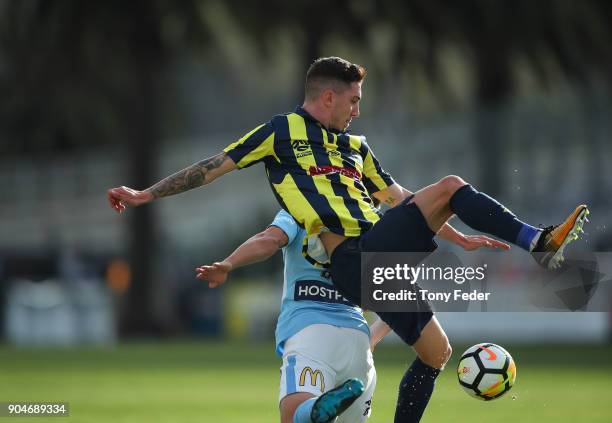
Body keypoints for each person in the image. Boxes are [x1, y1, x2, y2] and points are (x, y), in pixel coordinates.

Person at [108, 56, 588, 422]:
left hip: (375, 261)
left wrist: (457, 239)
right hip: (352, 260)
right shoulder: (282, 131)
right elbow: (213, 166)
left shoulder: (356, 149)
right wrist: (146, 195)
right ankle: (538, 242)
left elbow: (402, 198)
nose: (358, 110)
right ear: (329, 97)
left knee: (436, 353)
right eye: (354, 100)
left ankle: (538, 243)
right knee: (450, 186)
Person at [195, 209, 390, 423]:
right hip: (358, 343)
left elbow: (269, 240)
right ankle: (320, 409)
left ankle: (315, 409)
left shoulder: (300, 206)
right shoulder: (370, 219)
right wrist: (372, 338)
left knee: (296, 416)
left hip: (310, 334)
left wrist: (228, 264)